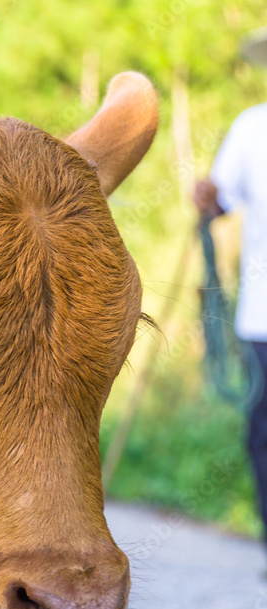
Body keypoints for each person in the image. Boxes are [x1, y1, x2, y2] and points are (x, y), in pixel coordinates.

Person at [193, 27, 267, 556]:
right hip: (263, 316)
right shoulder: (252, 128)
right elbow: (219, 205)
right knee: (262, 437)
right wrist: (208, 198)